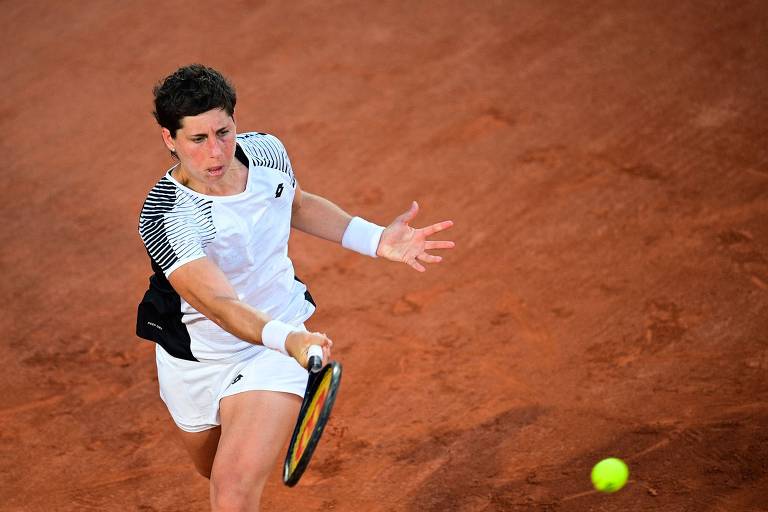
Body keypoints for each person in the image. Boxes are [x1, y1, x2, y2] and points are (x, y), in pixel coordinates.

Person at [136, 64, 454, 511]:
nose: (216, 153)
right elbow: (221, 305)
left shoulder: (267, 154)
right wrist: (292, 340)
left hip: (278, 343)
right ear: (169, 139)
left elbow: (296, 204)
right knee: (210, 467)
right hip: (196, 359)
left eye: (223, 133)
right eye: (198, 139)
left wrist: (375, 238)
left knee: (231, 489)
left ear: (235, 121)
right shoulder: (167, 215)